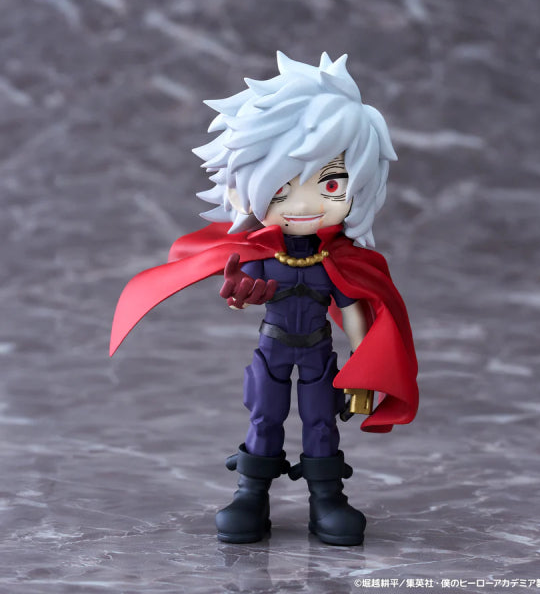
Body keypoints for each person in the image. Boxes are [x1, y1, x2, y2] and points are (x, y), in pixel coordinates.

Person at [110, 52, 419, 546]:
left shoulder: (336, 260)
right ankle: (250, 493)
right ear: (245, 189)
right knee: (264, 418)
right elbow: (240, 294)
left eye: (330, 183)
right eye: (280, 188)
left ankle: (327, 498)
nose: (304, 204)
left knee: (321, 422)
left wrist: (364, 368)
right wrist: (239, 295)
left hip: (319, 353)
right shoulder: (258, 255)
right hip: (272, 349)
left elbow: (356, 311)